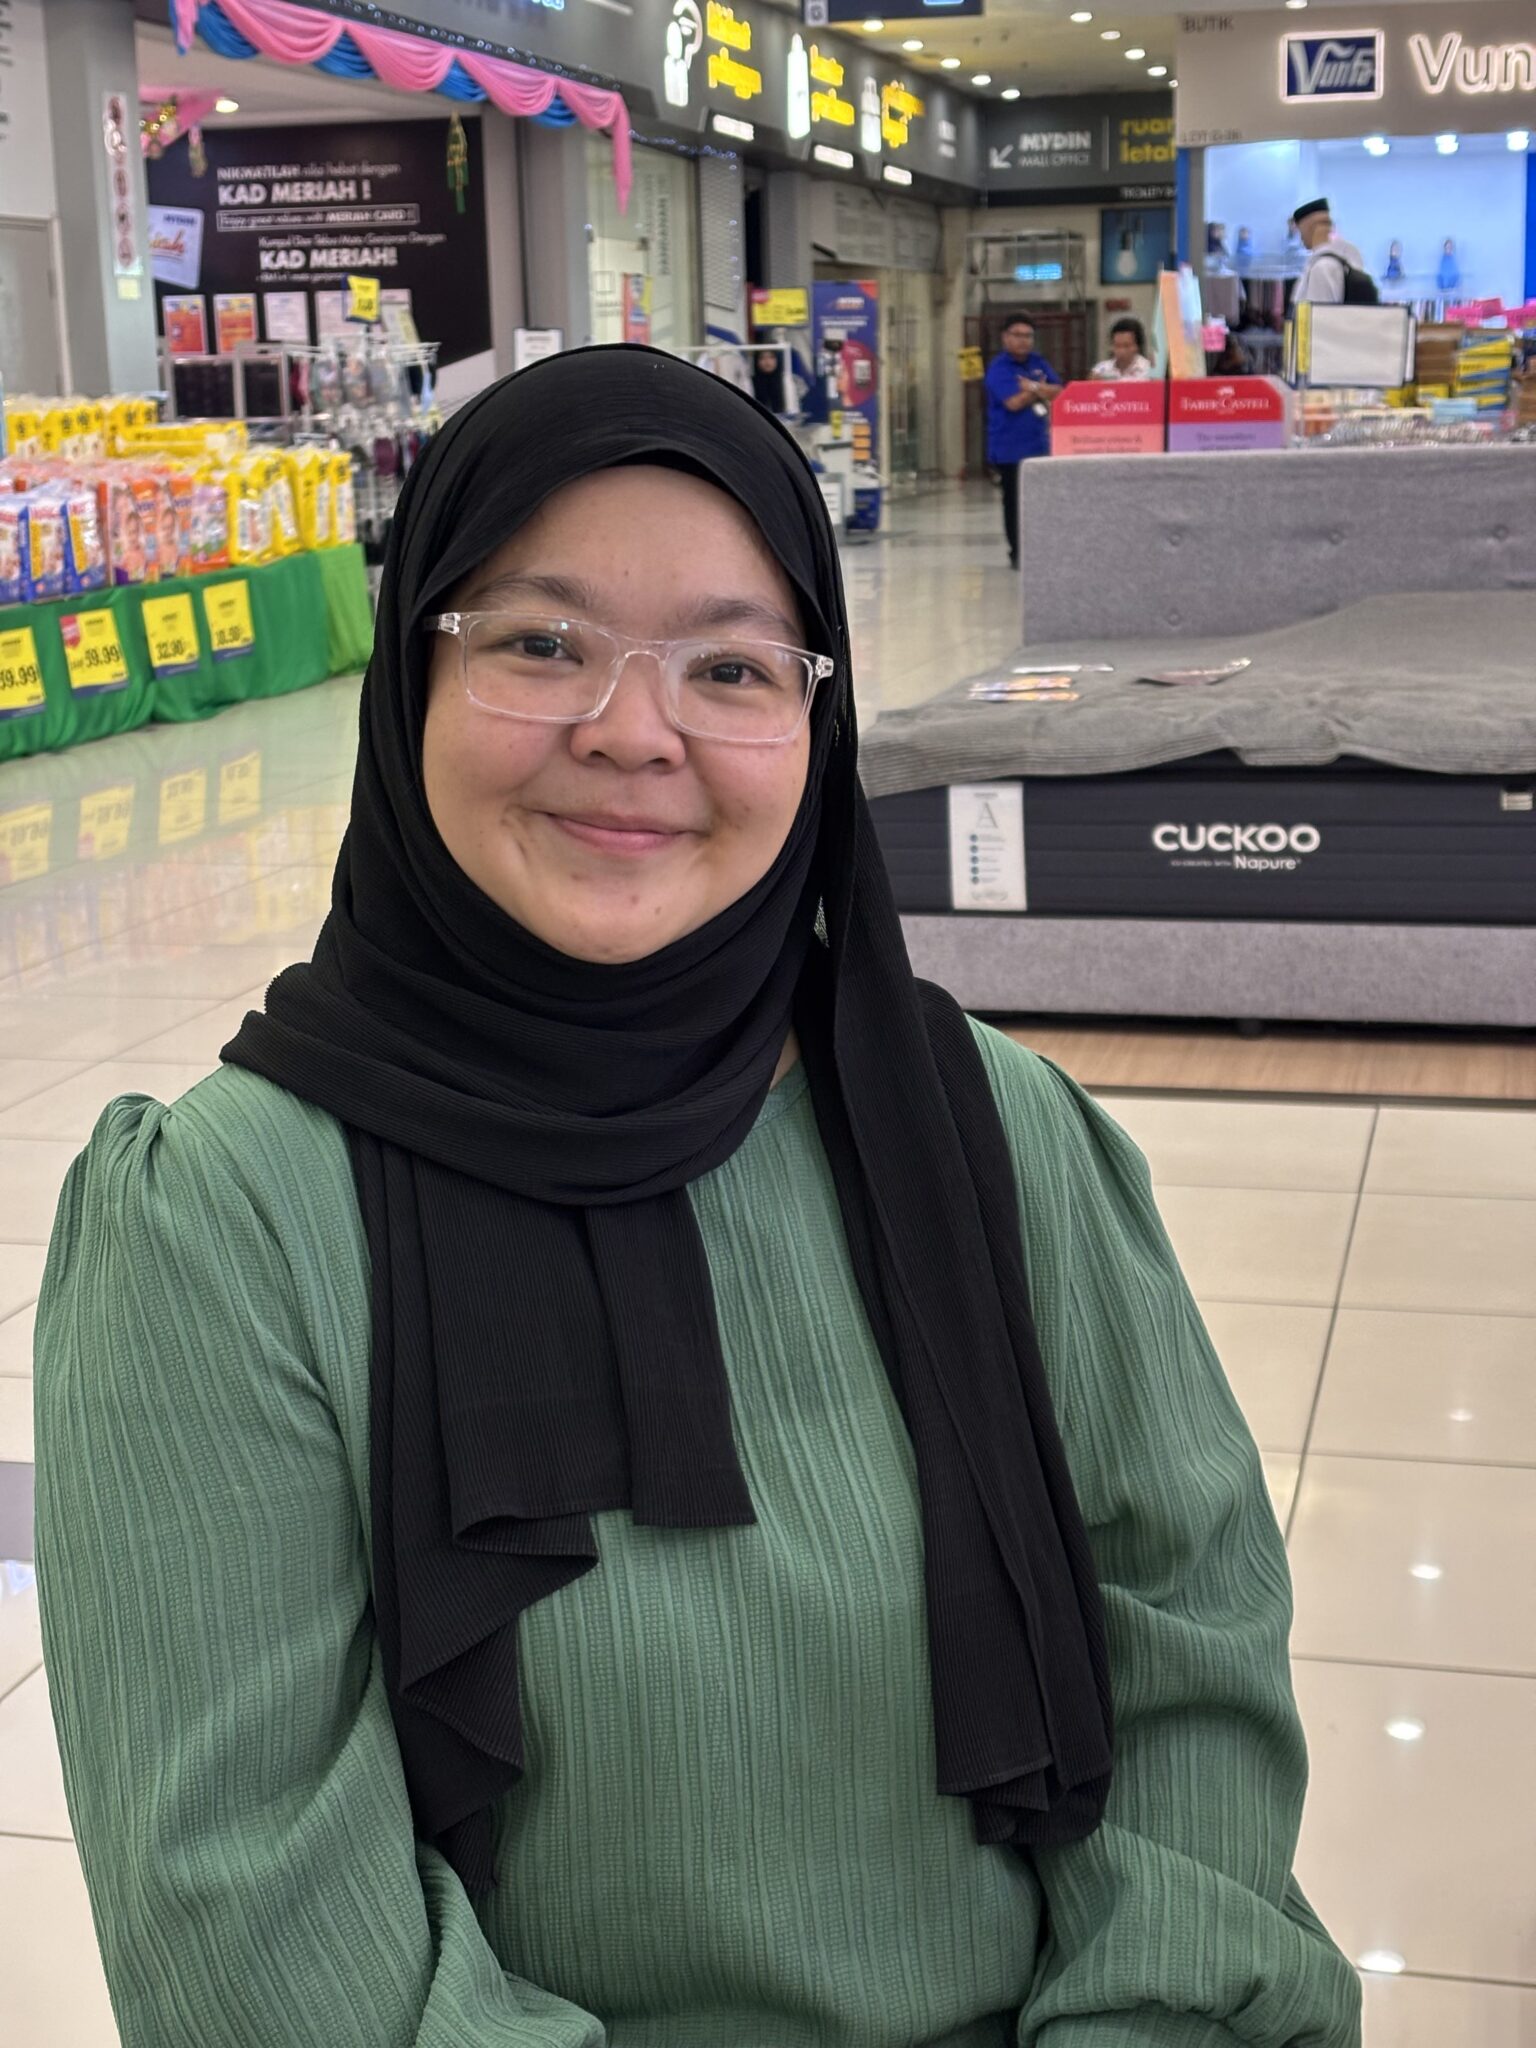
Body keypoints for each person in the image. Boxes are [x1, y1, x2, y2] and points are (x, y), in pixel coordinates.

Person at [36, 348, 1361, 2048]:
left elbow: (1190, 1669)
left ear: (814, 721)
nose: (631, 731)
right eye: (540, 644)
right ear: (409, 675)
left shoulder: (989, 1134)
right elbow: (257, 1934)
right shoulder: (222, 1227)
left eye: (730, 666)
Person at [984, 313, 1060, 570]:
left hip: (1039, 445)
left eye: (1028, 336)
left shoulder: (1038, 362)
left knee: (1039, 502)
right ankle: (1017, 552)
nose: (1023, 341)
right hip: (1009, 448)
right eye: (1017, 335)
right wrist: (1040, 390)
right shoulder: (999, 368)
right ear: (1005, 338)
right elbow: (1013, 403)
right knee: (1014, 503)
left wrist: (1032, 388)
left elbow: (1059, 392)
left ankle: (1039, 549)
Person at [1293, 197, 1368, 304]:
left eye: (1301, 232)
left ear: (1311, 227)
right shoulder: (1348, 254)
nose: (1301, 238)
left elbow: (1319, 311)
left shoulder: (1322, 267)